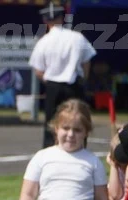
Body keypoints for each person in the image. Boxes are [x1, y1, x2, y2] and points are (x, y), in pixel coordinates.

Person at [28, 3, 96, 149]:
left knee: (51, 122)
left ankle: (49, 149)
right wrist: (83, 78)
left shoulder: (43, 41)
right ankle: (80, 148)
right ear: (62, 18)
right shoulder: (77, 37)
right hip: (74, 84)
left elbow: (38, 69)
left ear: (45, 21)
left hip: (54, 86)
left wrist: (48, 80)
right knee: (79, 119)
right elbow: (87, 61)